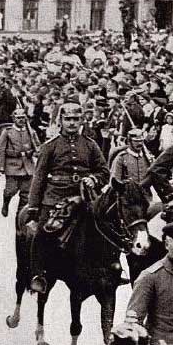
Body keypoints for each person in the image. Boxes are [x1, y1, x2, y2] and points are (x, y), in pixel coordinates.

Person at [24, 102, 110, 293]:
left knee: (106, 227)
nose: (72, 123)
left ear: (81, 120)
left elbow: (104, 172)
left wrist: (93, 179)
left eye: (76, 119)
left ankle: (108, 268)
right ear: (60, 120)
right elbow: (38, 178)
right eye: (68, 119)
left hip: (84, 197)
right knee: (41, 234)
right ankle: (38, 274)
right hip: (55, 198)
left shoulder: (90, 145)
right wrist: (33, 208)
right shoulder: (51, 146)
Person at [0, 108, 37, 217]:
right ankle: (6, 202)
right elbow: (0, 149)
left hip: (28, 167)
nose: (21, 120)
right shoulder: (8, 132)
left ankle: (21, 215)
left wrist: (35, 151)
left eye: (23, 117)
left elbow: (38, 146)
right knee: (10, 190)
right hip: (12, 166)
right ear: (14, 118)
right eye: (18, 118)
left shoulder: (31, 132)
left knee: (26, 194)